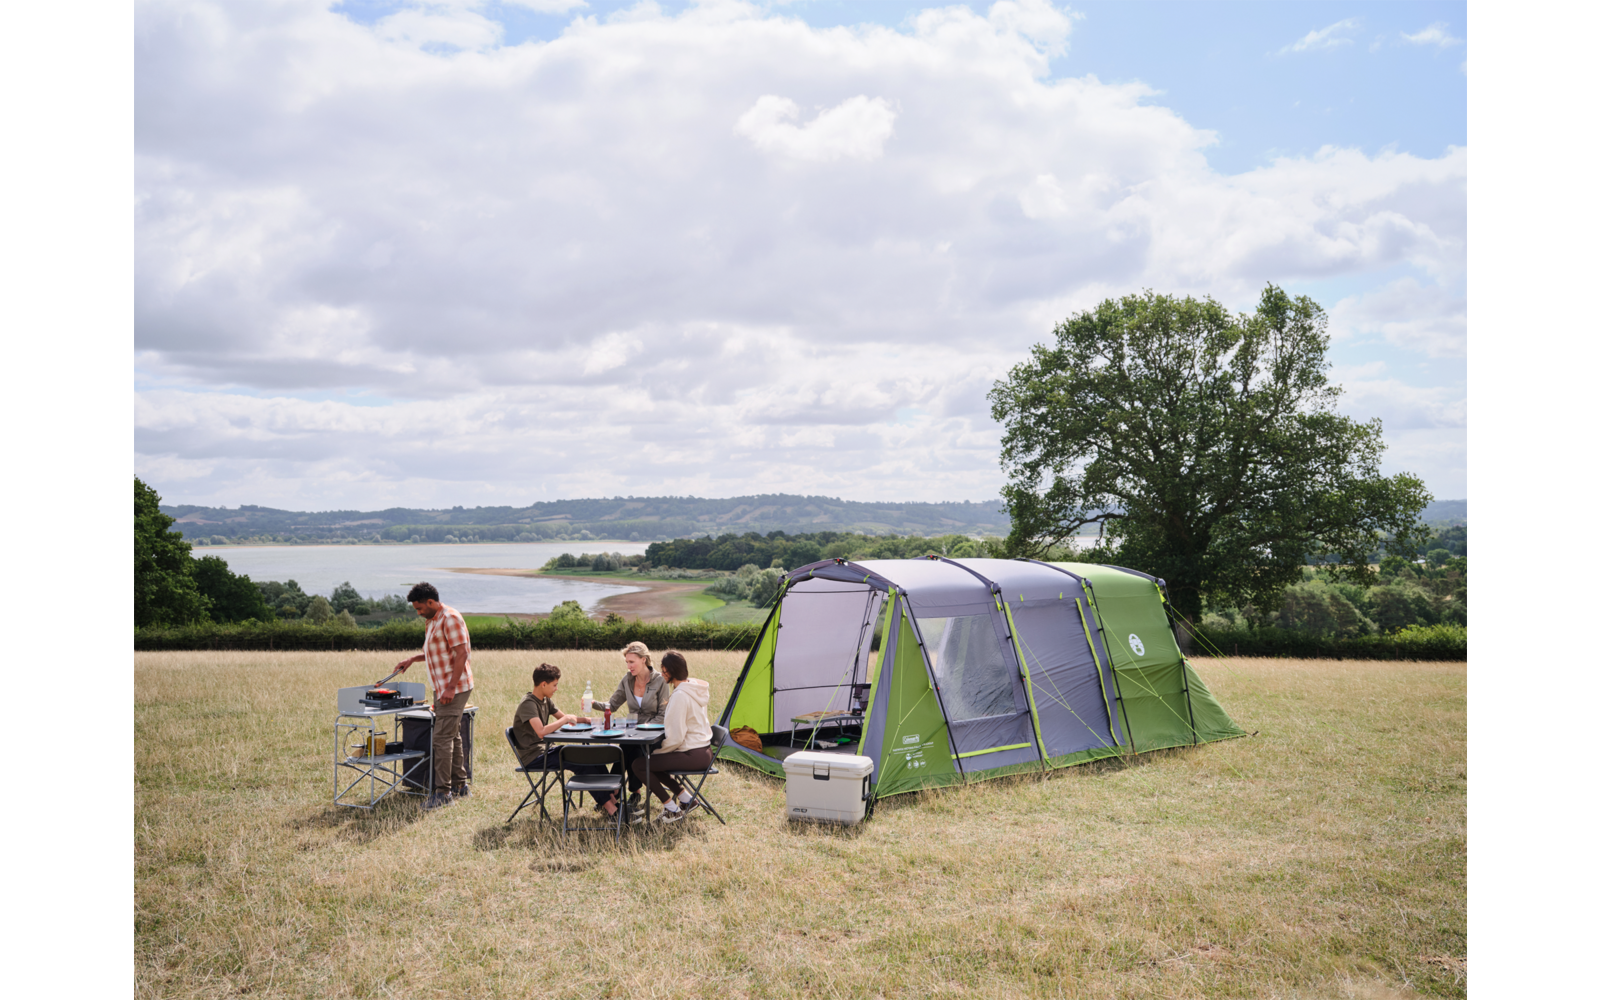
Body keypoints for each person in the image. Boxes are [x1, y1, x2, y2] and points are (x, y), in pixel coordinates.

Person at [393, 581, 475, 810]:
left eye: (419, 608)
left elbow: (462, 653)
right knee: (452, 735)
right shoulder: (432, 621)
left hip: (455, 688)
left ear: (431, 602)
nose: (418, 613)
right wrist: (412, 659)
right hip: (442, 688)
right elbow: (436, 651)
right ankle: (460, 786)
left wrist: (450, 687)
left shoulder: (450, 618)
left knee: (441, 739)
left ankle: (442, 793)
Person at [510, 663, 622, 819]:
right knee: (579, 761)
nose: (556, 688)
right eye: (554, 685)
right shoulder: (528, 704)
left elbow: (567, 720)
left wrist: (586, 720)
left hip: (547, 751)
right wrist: (565, 720)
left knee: (591, 756)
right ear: (543, 684)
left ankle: (613, 800)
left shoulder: (545, 701)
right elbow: (542, 732)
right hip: (534, 757)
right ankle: (612, 811)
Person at [631, 650, 712, 824]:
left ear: (672, 671)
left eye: (664, 670)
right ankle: (687, 800)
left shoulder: (680, 696)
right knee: (652, 762)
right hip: (703, 751)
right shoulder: (692, 689)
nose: (661, 674)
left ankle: (672, 809)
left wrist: (658, 751)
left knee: (640, 764)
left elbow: (676, 738)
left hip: (692, 754)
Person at [587, 641, 669, 803]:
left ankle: (615, 792)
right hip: (632, 735)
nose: (629, 666)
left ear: (644, 659)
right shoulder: (627, 680)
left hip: (654, 735)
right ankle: (627, 792)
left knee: (629, 748)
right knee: (626, 747)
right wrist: (592, 703)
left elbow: (662, 715)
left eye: (632, 662)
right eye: (627, 662)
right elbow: (613, 705)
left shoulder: (660, 681)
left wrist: (642, 730)